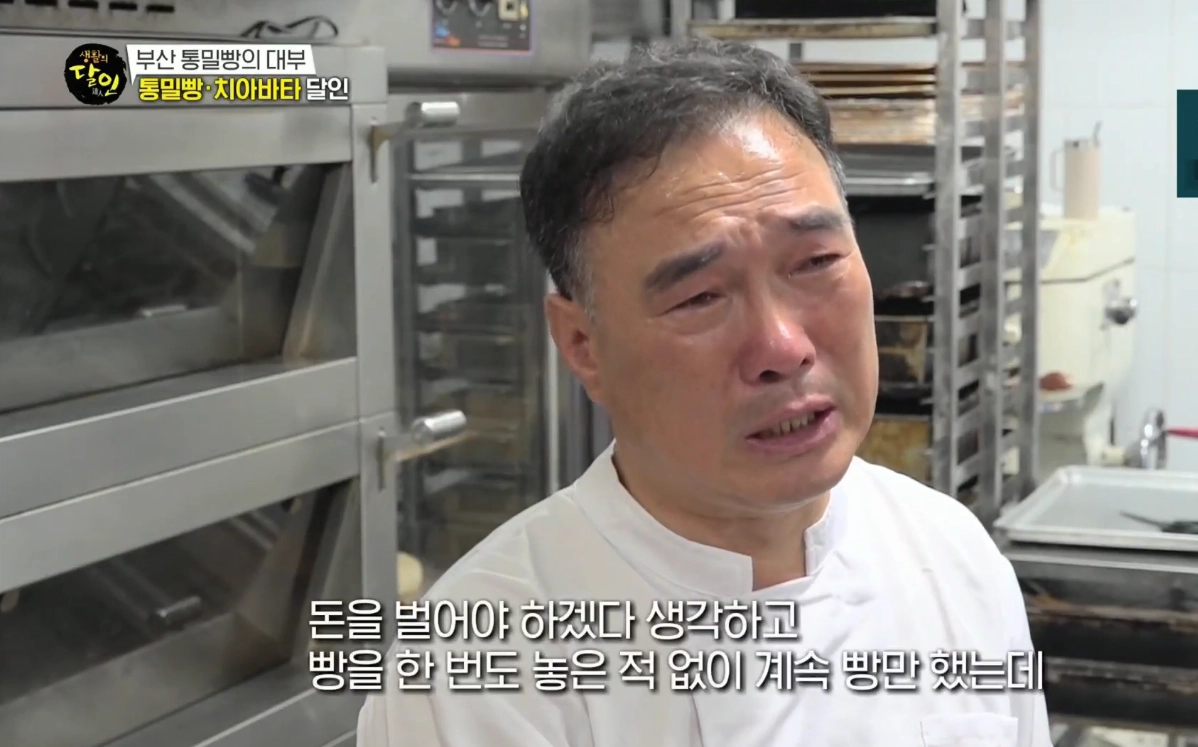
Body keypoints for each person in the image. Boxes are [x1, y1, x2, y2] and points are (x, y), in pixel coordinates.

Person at [358, 38, 1051, 747]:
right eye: (699, 297)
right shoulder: (473, 675)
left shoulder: (951, 558)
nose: (782, 347)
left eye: (815, 261)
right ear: (584, 345)